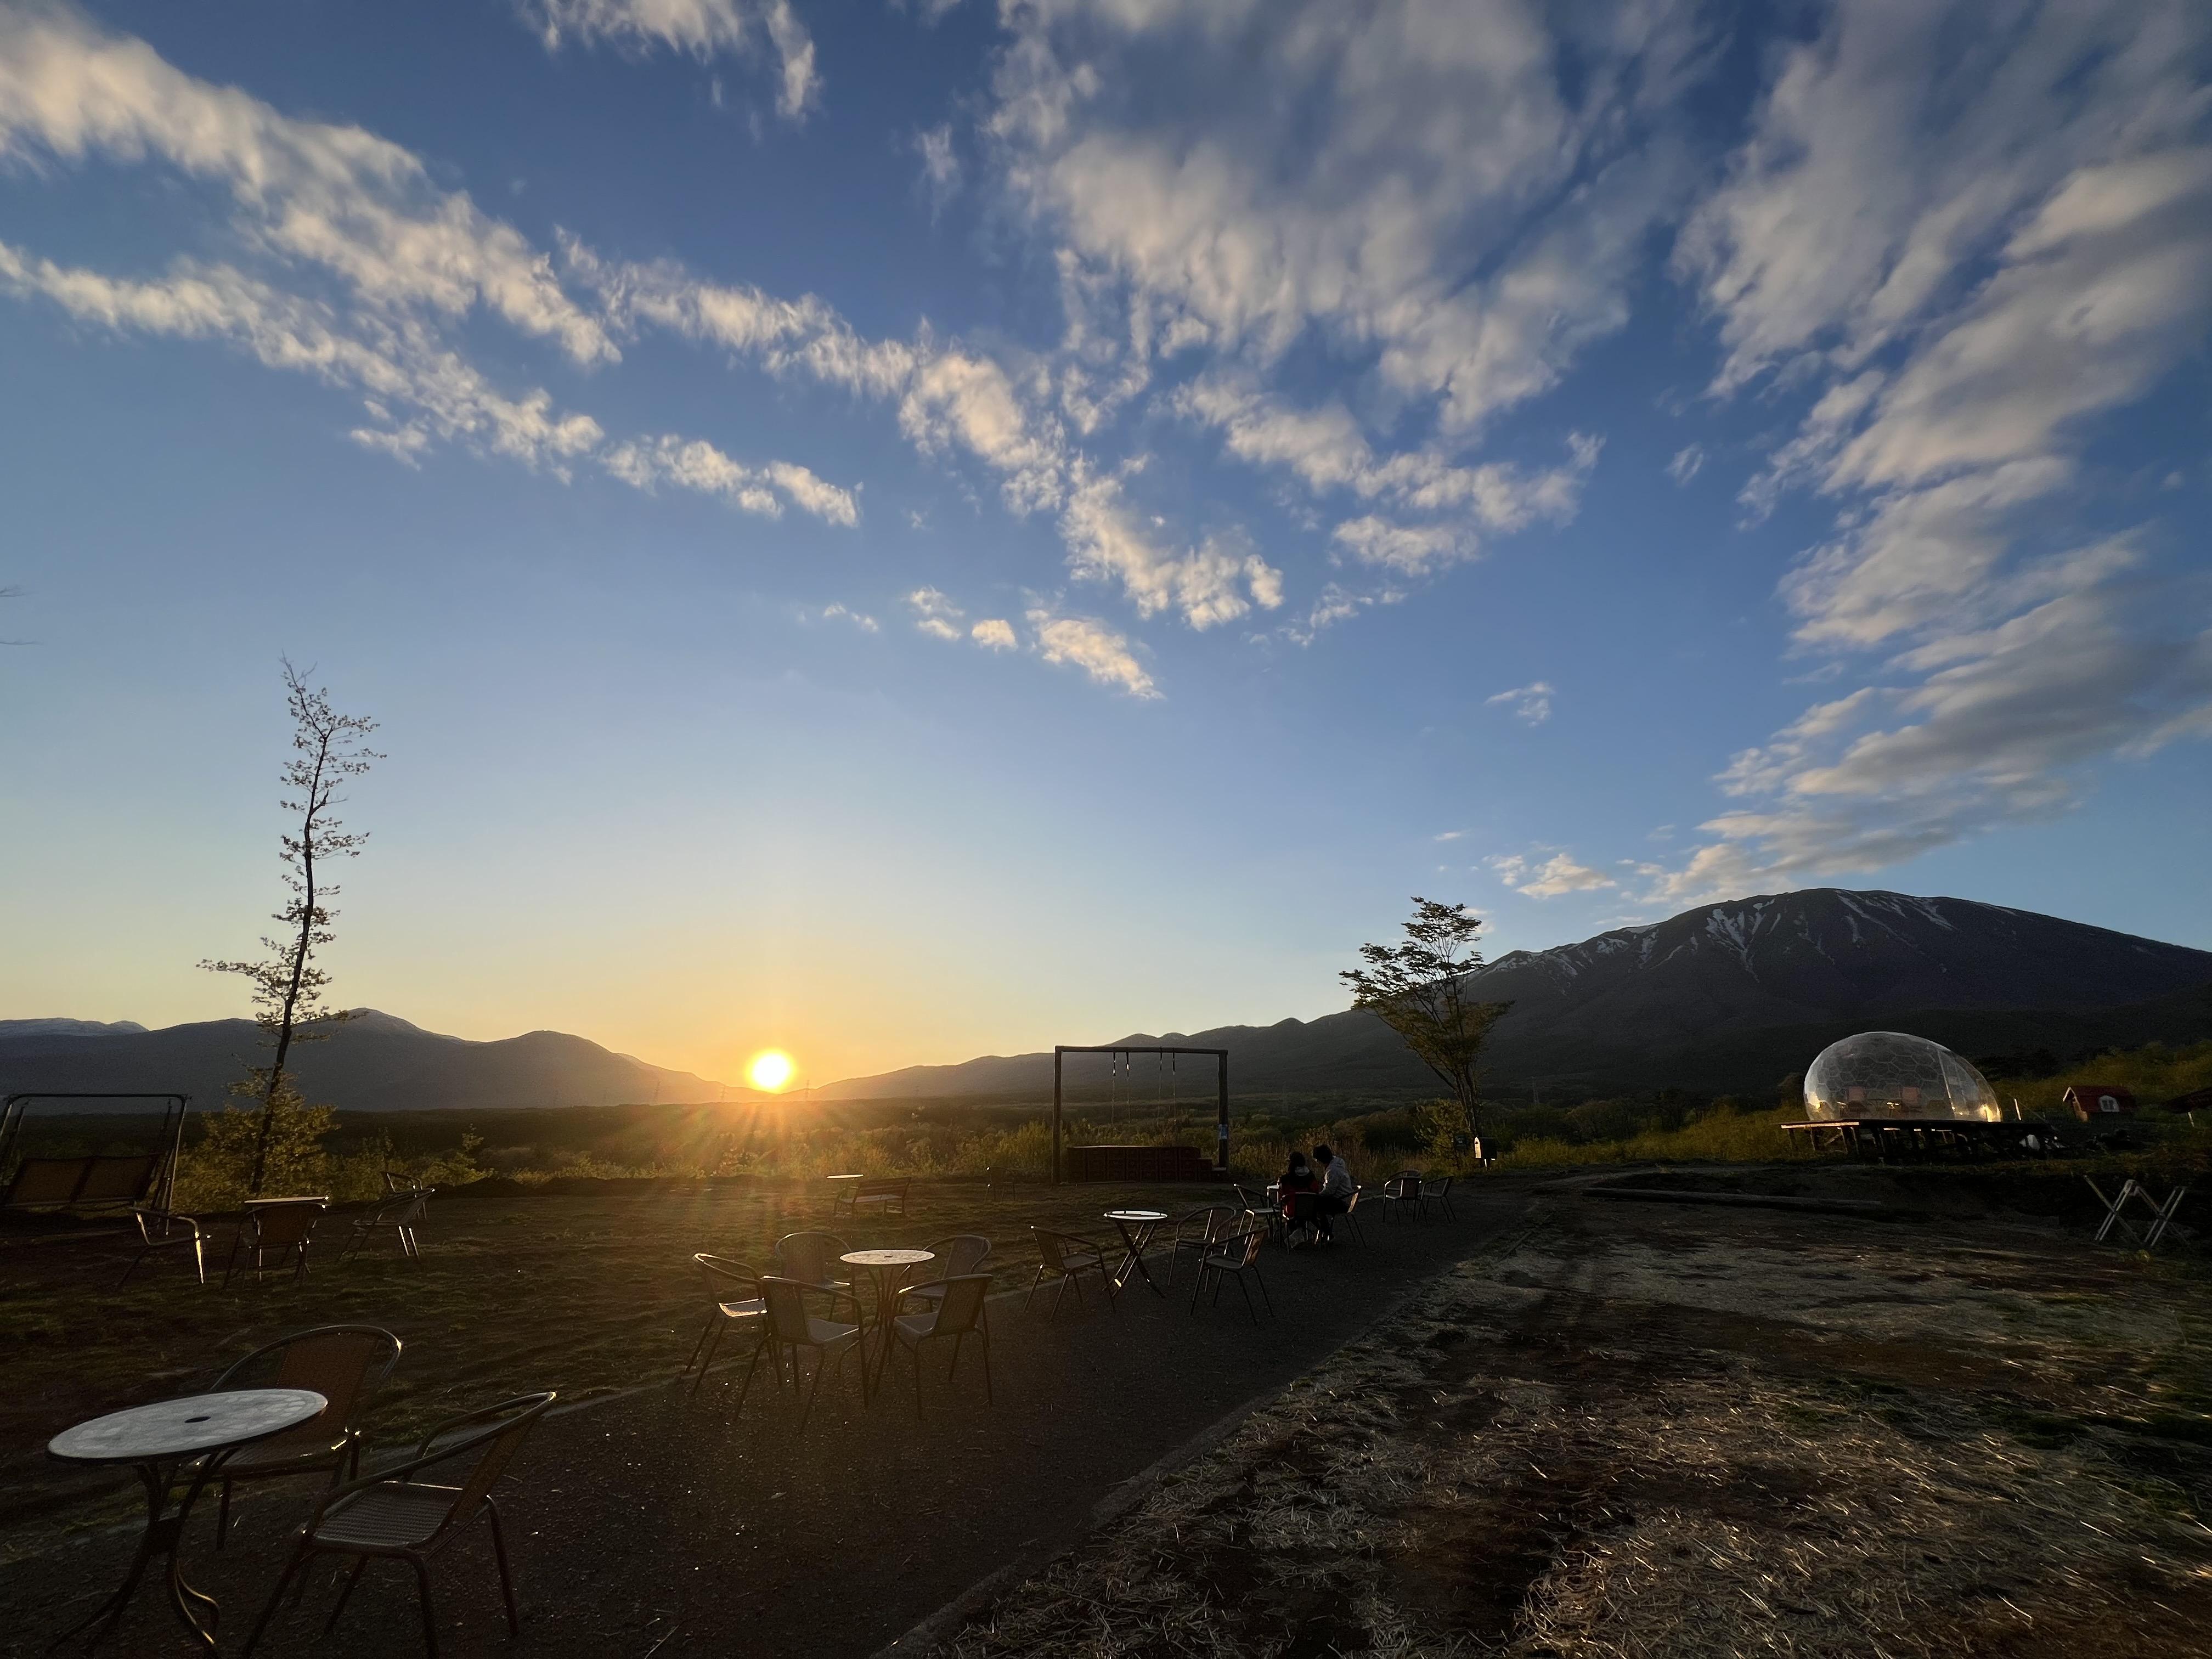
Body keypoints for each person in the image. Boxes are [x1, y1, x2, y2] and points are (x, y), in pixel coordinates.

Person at [1314, 1143, 1355, 1242]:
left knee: (1316, 1207)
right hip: (1345, 1199)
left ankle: (1327, 1233)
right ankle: (1324, 1232)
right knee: (1318, 1205)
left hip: (1341, 1202)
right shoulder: (1338, 1163)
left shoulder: (1333, 1171)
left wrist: (1317, 1195)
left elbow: (1330, 1191)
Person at [1278, 1152, 1319, 1245]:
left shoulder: (1286, 1179)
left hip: (1292, 1210)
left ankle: (1296, 1232)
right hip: (1310, 1209)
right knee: (1302, 1210)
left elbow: (1282, 1198)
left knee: (1289, 1210)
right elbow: (1316, 1191)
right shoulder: (1311, 1177)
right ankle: (1299, 1231)